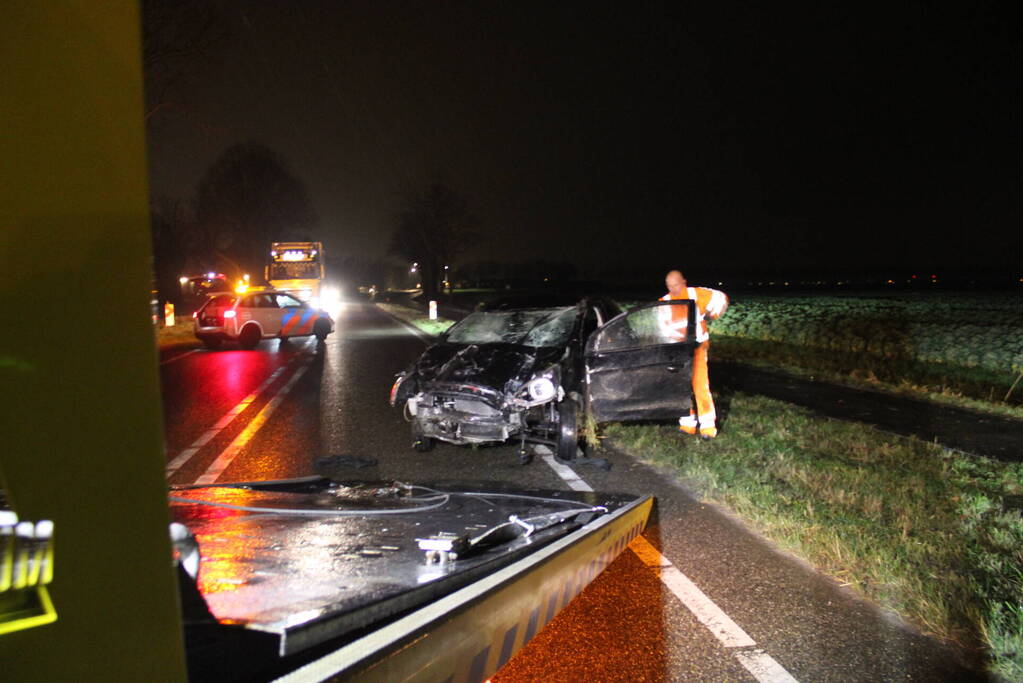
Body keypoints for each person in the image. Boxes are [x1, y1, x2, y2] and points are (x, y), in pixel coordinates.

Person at [658, 270, 728, 438]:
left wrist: (714, 314)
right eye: (669, 286)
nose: (673, 289)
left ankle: (708, 427)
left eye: (676, 285)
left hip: (697, 346)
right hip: (677, 349)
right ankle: (687, 423)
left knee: (700, 385)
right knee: (680, 386)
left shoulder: (697, 294)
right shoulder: (664, 302)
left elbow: (721, 299)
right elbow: (662, 328)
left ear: (684, 281)